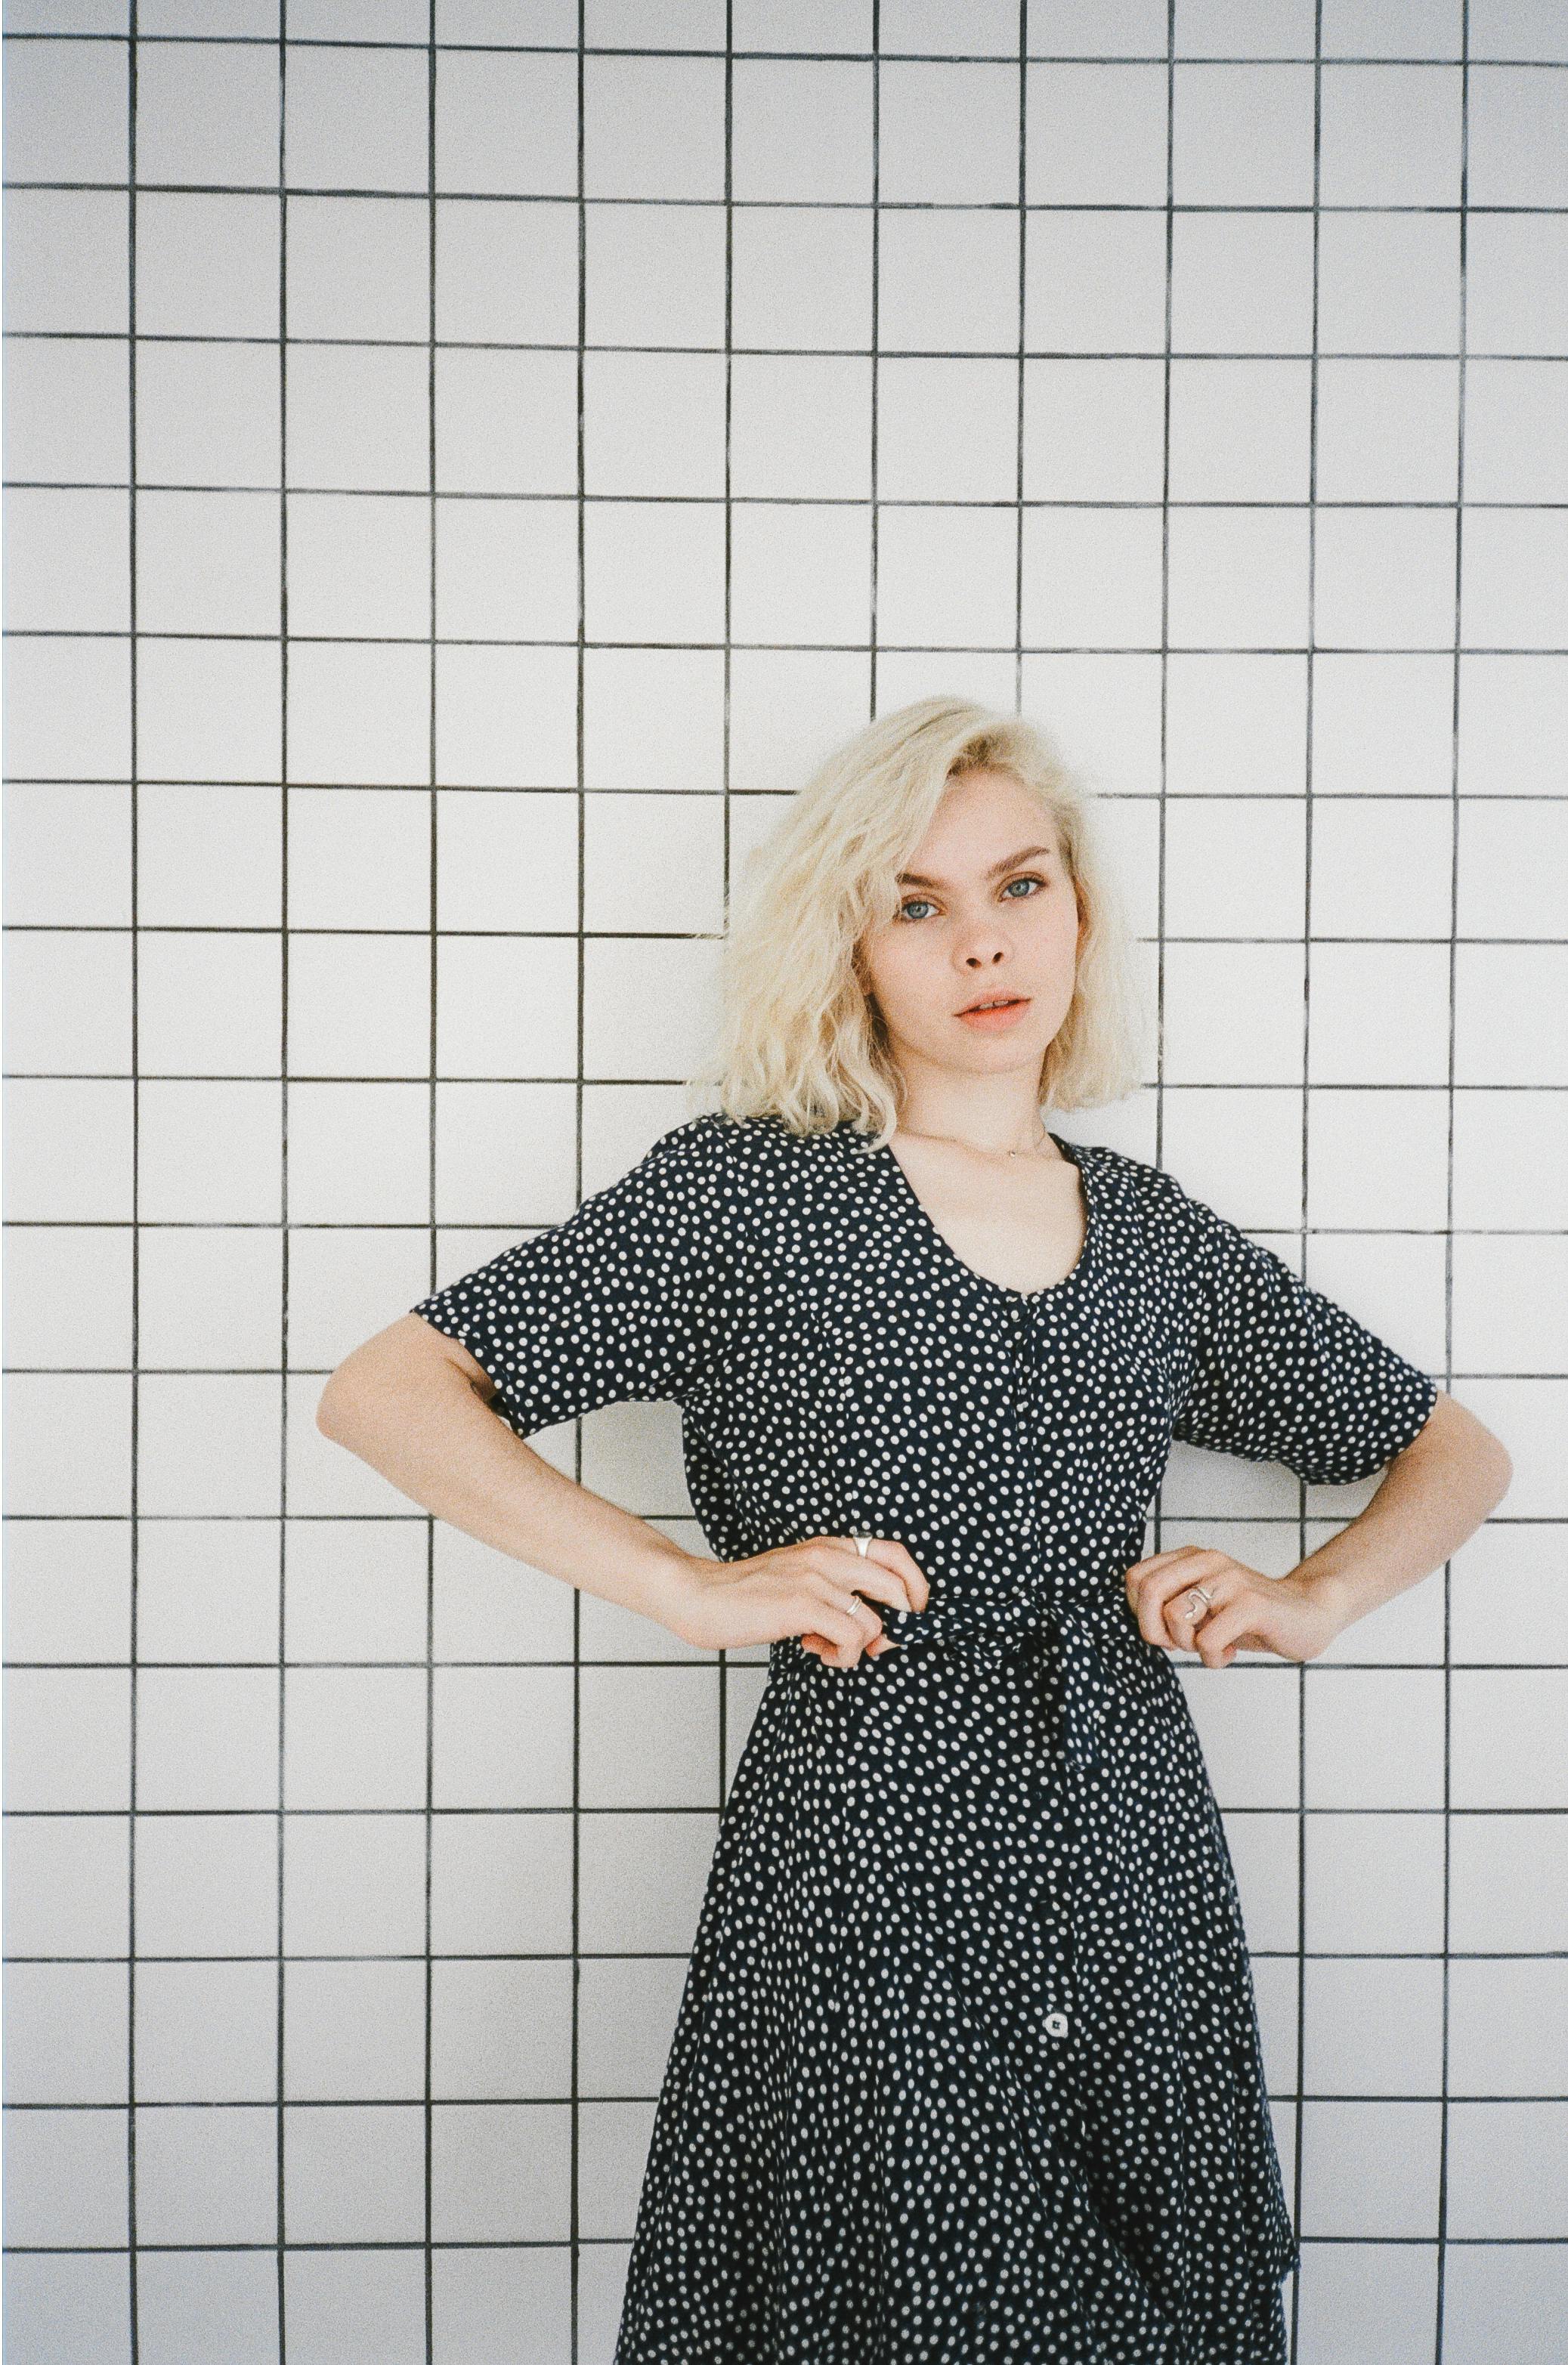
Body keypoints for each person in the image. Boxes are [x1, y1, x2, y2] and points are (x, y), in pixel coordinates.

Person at [317, 695, 1511, 2363]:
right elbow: (390, 1388)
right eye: (918, 902)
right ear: (853, 946)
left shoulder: (1152, 1234)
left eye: (1021, 886)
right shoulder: (748, 1195)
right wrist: (683, 1585)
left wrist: (1313, 1596)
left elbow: (1454, 1448)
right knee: (884, 2292)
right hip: (871, 1846)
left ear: (1082, 912)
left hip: (1128, 1837)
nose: (982, 945)